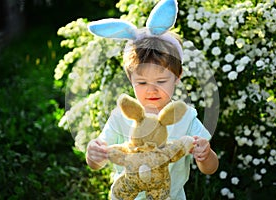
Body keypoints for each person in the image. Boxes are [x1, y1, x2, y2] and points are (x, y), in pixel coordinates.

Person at [86, 30, 219, 199]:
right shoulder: (121, 116)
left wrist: (205, 155)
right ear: (130, 78)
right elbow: (98, 162)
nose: (152, 89)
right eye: (142, 82)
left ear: (178, 77)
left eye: (161, 81)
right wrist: (93, 154)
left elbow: (210, 168)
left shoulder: (185, 118)